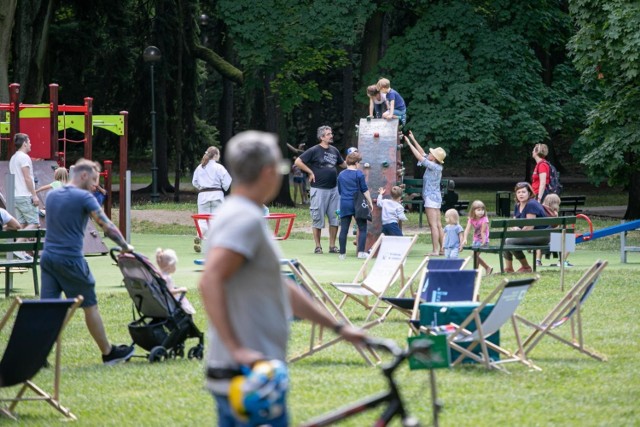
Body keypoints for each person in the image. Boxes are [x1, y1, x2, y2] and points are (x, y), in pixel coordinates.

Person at [198, 130, 367, 426]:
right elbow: (210, 281)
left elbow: (281, 288)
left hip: (254, 371)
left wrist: (340, 328)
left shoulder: (239, 213)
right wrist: (236, 349)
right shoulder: (244, 219)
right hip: (247, 375)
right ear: (266, 172)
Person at [40, 159, 135, 365]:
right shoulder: (84, 197)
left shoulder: (53, 195)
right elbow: (106, 225)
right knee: (89, 305)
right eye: (93, 180)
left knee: (48, 308)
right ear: (83, 175)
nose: (94, 186)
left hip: (48, 259)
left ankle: (38, 354)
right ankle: (108, 352)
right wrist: (126, 247)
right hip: (71, 260)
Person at [294, 126, 346, 254]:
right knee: (318, 218)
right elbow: (298, 161)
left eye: (331, 133)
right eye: (328, 134)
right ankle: (318, 246)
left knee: (335, 218)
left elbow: (343, 164)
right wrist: (310, 172)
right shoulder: (314, 150)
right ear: (322, 137)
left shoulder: (334, 151)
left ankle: (332, 246)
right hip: (318, 189)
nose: (331, 136)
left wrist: (354, 162)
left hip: (334, 190)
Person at [404, 130, 446, 256]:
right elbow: (422, 153)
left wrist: (408, 143)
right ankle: (443, 249)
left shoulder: (434, 166)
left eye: (431, 153)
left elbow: (419, 156)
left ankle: (435, 250)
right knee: (438, 224)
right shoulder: (434, 164)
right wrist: (413, 139)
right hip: (436, 197)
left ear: (434, 158)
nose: (429, 154)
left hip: (431, 198)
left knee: (433, 225)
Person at [192, 146, 233, 252]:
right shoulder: (219, 167)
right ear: (215, 155)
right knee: (216, 220)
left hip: (203, 195)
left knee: (202, 220)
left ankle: (199, 236)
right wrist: (223, 187)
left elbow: (194, 182)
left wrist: (202, 186)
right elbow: (227, 182)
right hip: (217, 195)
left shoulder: (200, 167)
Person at [503, 182, 549, 273]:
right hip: (530, 235)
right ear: (516, 194)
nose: (521, 194)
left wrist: (517, 233)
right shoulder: (517, 205)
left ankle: (526, 267)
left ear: (529, 193)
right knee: (505, 239)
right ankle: (509, 269)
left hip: (540, 235)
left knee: (509, 241)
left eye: (523, 192)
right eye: (518, 192)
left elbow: (529, 227)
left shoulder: (531, 204)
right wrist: (515, 228)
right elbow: (514, 222)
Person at [337, 151, 372, 259]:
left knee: (344, 229)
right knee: (362, 228)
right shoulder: (359, 174)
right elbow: (364, 190)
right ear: (356, 163)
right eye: (359, 162)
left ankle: (342, 254)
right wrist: (370, 202)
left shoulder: (341, 175)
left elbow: (339, 190)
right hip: (357, 203)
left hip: (345, 203)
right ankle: (361, 252)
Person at [9, 133, 39, 230]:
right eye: (29, 142)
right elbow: (27, 177)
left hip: (15, 196)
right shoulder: (24, 157)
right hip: (25, 196)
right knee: (34, 223)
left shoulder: (13, 158)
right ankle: (17, 244)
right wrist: (34, 195)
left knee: (21, 225)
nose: (31, 144)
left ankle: (18, 244)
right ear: (24, 143)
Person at [536, 194, 573, 268]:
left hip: (539, 238)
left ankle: (538, 260)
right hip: (550, 239)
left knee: (542, 238)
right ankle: (561, 261)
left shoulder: (540, 210)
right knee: (570, 240)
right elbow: (556, 229)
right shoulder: (554, 213)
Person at [155, 247, 196, 314]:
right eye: (174, 265)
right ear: (170, 266)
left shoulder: (159, 275)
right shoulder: (167, 278)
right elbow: (170, 292)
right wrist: (181, 289)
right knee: (184, 302)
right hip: (169, 302)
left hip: (162, 301)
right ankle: (189, 314)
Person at [463, 200, 493, 276]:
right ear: (473, 211)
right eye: (478, 210)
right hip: (476, 240)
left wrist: (484, 242)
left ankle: (483, 269)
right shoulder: (471, 219)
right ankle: (482, 270)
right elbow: (467, 229)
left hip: (483, 240)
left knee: (474, 255)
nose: (481, 212)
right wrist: (465, 239)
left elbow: (483, 232)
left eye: (482, 210)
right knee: (475, 255)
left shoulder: (485, 219)